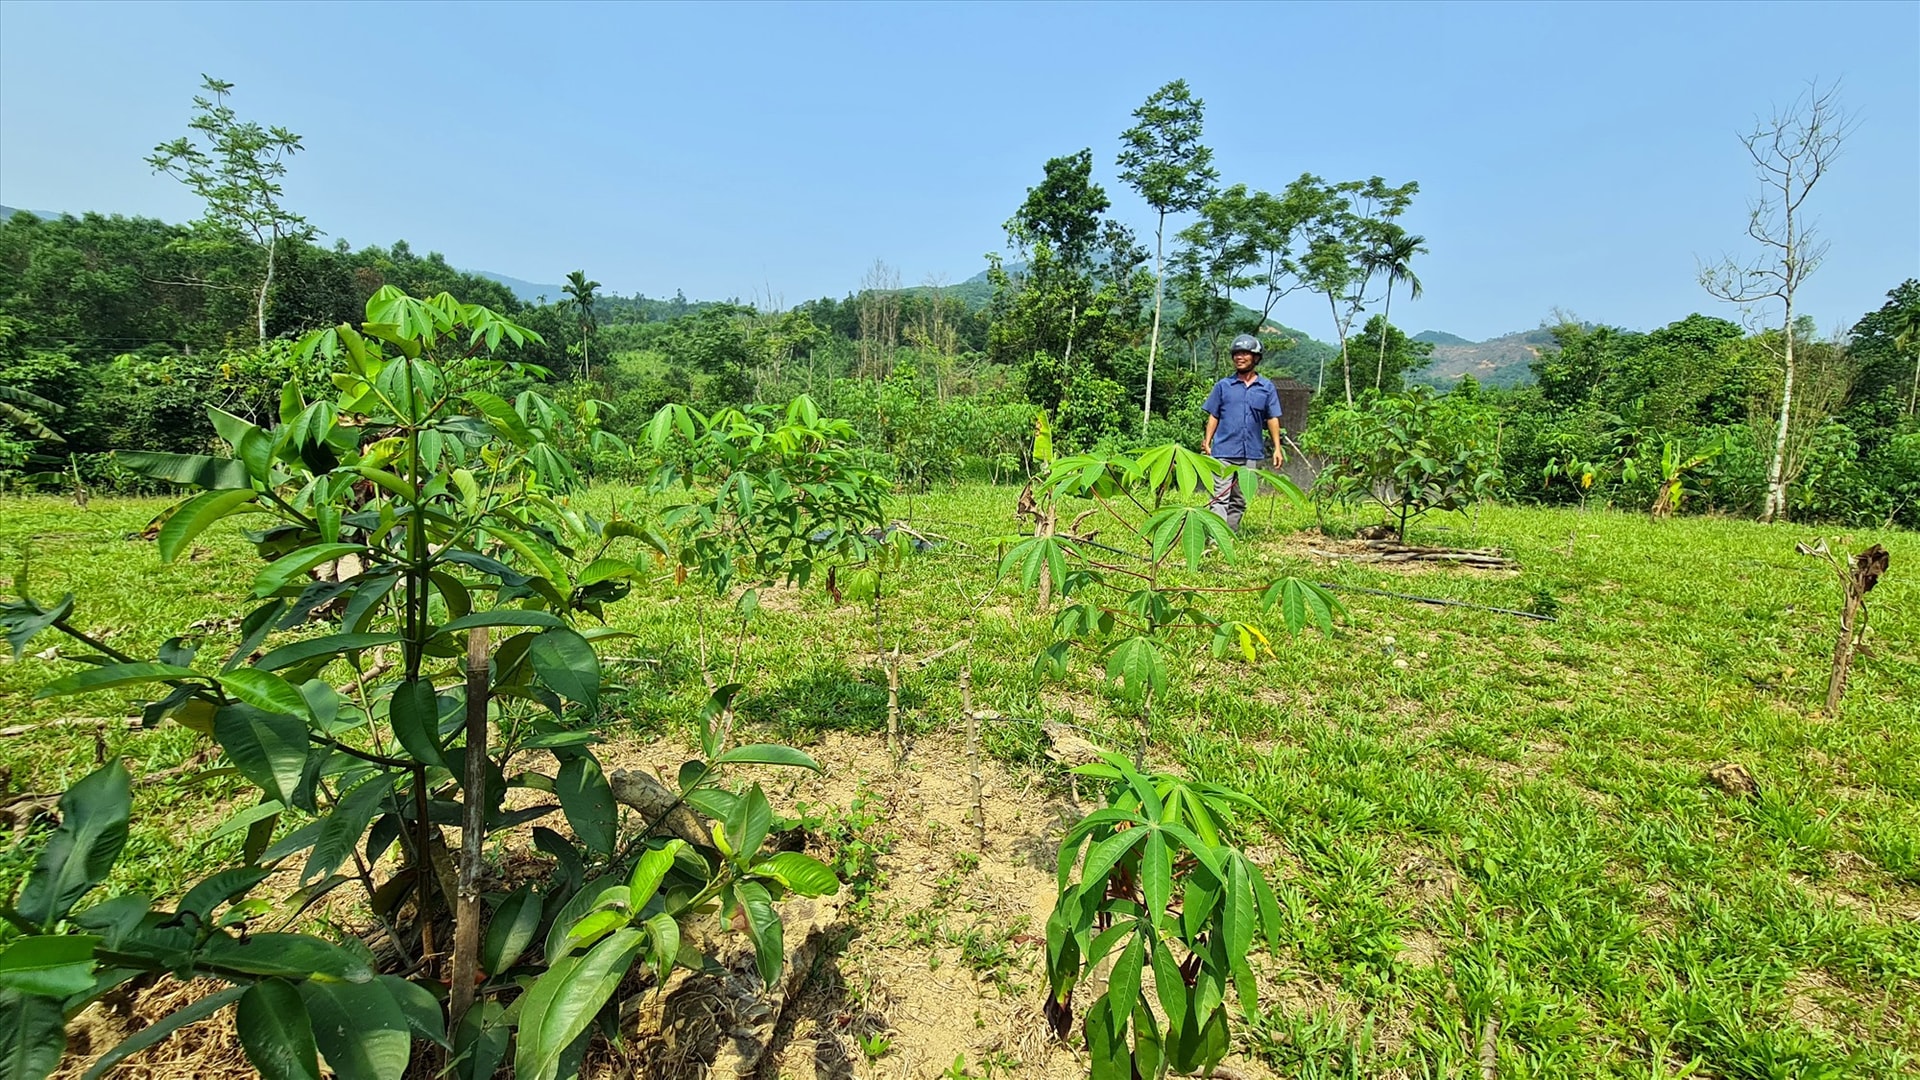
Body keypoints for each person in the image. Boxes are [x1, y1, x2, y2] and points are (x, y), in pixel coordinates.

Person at [1200, 333, 1284, 532]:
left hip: (1250, 452)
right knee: (1219, 497)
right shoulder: (1223, 386)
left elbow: (1272, 418)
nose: (1239, 357)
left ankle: (1229, 533)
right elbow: (1214, 415)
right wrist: (1207, 441)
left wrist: (1277, 448)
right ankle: (1216, 539)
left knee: (1239, 499)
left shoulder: (1266, 387)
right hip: (1223, 451)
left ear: (1255, 358)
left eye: (1245, 353)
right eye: (1236, 354)